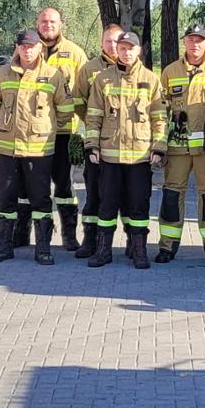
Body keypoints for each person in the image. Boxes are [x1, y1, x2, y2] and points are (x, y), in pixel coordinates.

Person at [0, 28, 76, 265]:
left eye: (31, 46)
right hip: (8, 148)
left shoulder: (53, 75)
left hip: (38, 148)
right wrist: (7, 122)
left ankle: (43, 248)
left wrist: (46, 126)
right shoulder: (2, 74)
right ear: (17, 48)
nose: (27, 50)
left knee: (41, 199)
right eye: (23, 46)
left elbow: (65, 111)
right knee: (6, 199)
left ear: (39, 48)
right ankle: (4, 245)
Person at [81, 31, 167, 269]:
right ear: (116, 50)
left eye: (131, 48)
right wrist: (91, 146)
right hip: (109, 155)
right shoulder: (103, 79)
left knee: (139, 205)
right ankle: (103, 250)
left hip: (140, 157)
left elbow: (159, 118)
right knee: (107, 204)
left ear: (139, 51)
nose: (126, 52)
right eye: (122, 48)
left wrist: (158, 147)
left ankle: (139, 251)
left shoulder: (151, 80)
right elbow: (93, 116)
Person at [158, 24, 205, 264]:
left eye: (199, 40)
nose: (194, 44)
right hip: (176, 147)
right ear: (184, 42)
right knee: (171, 195)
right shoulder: (169, 71)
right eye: (190, 40)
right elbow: (161, 109)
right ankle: (167, 246)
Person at [36, 8, 91, 253]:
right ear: (37, 24)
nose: (48, 25)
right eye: (44, 21)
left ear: (61, 24)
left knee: (65, 187)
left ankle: (69, 235)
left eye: (52, 21)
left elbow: (85, 92)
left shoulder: (75, 53)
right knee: (31, 188)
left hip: (64, 132)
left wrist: (82, 129)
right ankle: (23, 235)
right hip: (32, 134)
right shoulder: (28, 49)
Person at [70, 23, 126, 259]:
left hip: (127, 145)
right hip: (97, 143)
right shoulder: (89, 68)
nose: (111, 46)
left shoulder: (132, 68)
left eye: (116, 42)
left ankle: (134, 242)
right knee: (93, 193)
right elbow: (78, 99)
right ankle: (90, 240)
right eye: (107, 41)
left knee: (128, 196)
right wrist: (94, 123)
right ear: (101, 43)